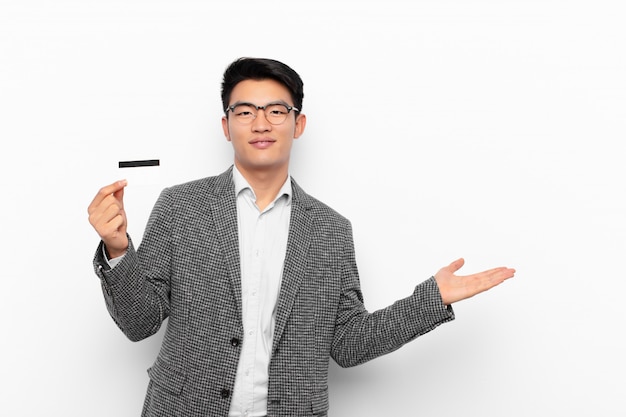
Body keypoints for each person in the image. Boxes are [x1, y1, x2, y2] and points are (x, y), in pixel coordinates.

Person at [88, 57, 515, 417]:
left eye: (276, 110)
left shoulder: (330, 230)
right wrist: (119, 250)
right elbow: (139, 323)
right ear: (225, 125)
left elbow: (347, 343)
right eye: (245, 111)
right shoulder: (181, 207)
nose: (261, 123)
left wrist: (430, 300)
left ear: (298, 123)